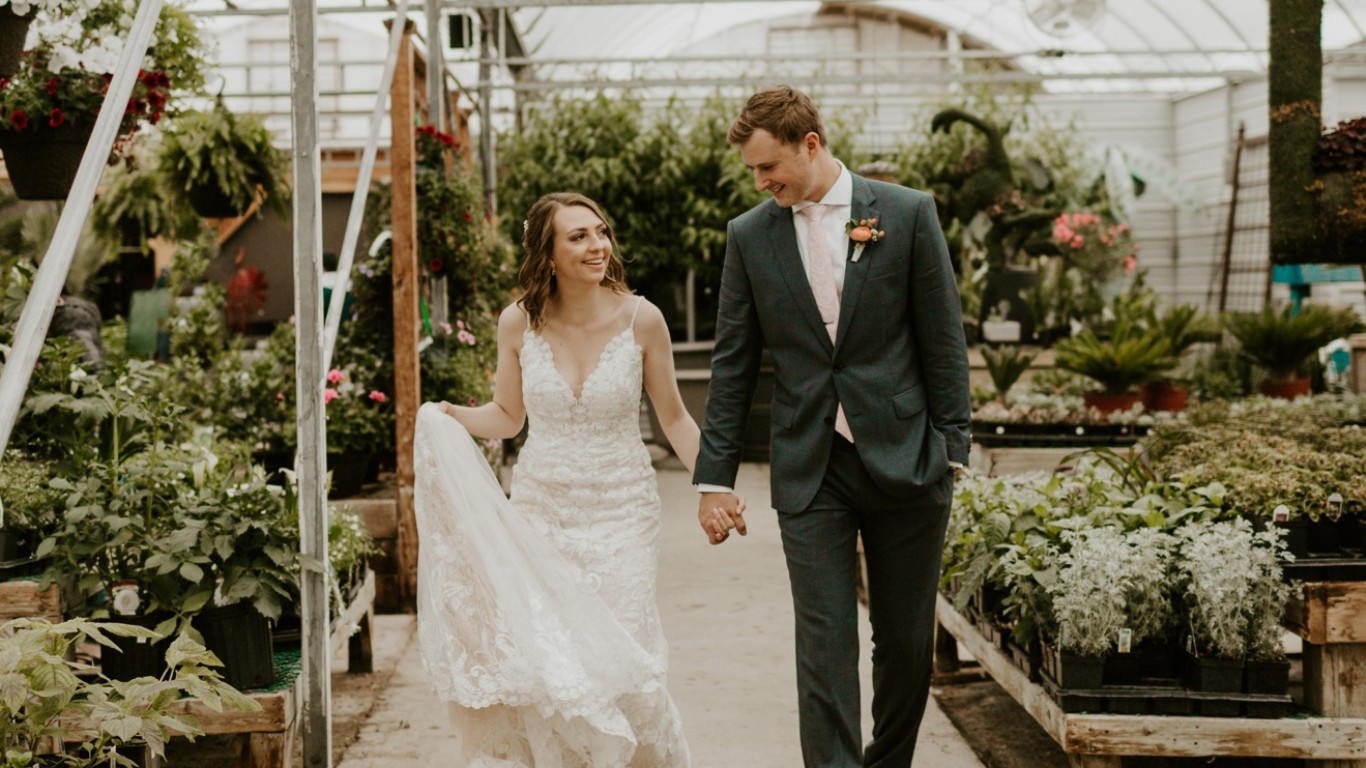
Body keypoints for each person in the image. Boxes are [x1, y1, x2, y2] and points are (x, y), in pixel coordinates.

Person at [694, 86, 970, 767]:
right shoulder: (749, 236)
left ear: (809, 145)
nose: (760, 183)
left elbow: (943, 340)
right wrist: (712, 478)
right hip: (810, 464)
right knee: (824, 646)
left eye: (767, 168)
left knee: (905, 646)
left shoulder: (906, 215)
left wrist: (952, 449)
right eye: (753, 173)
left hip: (907, 457)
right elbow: (733, 366)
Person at [414, 192, 737, 766]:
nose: (597, 246)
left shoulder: (644, 318)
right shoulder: (517, 322)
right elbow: (509, 417)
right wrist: (452, 416)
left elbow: (675, 418)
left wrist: (714, 484)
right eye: (579, 236)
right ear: (549, 252)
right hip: (543, 511)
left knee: (622, 650)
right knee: (557, 657)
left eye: (600, 233)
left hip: (624, 513)